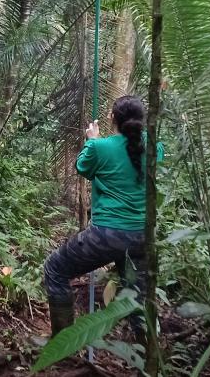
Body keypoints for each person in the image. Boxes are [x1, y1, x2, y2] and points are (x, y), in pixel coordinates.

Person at [43, 95, 163, 337]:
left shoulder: (100, 147)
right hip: (142, 236)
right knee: (138, 298)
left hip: (107, 235)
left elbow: (82, 167)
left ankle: (61, 344)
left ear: (112, 118)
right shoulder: (153, 147)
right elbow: (151, 154)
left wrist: (92, 140)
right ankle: (147, 356)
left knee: (55, 269)